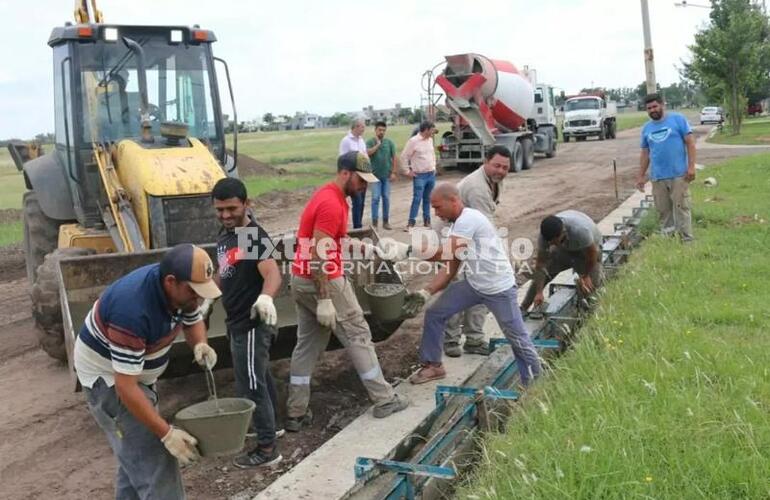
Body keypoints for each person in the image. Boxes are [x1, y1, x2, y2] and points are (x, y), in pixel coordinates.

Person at [73, 243, 221, 499]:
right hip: (108, 380)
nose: (197, 297)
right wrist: (166, 434)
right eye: (194, 291)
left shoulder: (181, 289)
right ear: (171, 282)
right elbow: (126, 387)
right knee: (158, 463)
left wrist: (200, 344)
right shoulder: (132, 309)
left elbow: (192, 316)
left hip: (134, 376)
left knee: (136, 459)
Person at [285, 151, 409, 431]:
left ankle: (295, 411)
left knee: (306, 346)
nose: (364, 186)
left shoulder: (329, 196)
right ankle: (384, 398)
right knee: (358, 334)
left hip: (301, 279)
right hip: (323, 279)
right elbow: (319, 252)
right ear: (345, 173)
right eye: (361, 180)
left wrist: (367, 248)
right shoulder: (331, 204)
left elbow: (334, 240)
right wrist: (326, 299)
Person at [388, 183, 541, 385]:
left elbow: (445, 253)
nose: (436, 213)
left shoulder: (469, 219)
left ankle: (535, 382)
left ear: (453, 200)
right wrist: (426, 292)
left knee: (518, 338)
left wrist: (409, 251)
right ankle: (433, 366)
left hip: (499, 289)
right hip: (475, 285)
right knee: (435, 313)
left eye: (438, 207)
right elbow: (451, 267)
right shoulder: (458, 225)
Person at [211, 177, 283, 468]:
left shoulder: (252, 235)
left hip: (252, 323)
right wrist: (207, 294)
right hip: (236, 319)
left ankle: (267, 450)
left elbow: (273, 274)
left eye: (231, 209)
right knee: (260, 377)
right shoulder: (227, 234)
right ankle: (272, 426)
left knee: (251, 385)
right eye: (219, 210)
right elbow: (224, 269)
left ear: (246, 204)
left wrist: (266, 298)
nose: (226, 215)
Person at [440, 145, 511, 357]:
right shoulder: (477, 188)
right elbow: (485, 230)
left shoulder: (493, 181)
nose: (501, 171)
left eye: (505, 167)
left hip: (469, 238)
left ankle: (474, 339)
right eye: (497, 165)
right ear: (486, 162)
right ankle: (451, 341)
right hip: (452, 240)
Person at [637, 93, 696, 242]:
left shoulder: (678, 120)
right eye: (649, 108)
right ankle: (669, 241)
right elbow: (645, 153)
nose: (652, 110)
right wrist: (641, 176)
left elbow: (690, 143)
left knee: (681, 208)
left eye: (655, 106)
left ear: (663, 105)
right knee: (664, 212)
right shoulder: (646, 128)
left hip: (679, 175)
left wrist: (691, 167)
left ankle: (686, 241)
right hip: (657, 177)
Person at [519, 210, 604, 313]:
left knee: (589, 288)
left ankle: (587, 313)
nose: (556, 244)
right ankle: (523, 309)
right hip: (565, 250)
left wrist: (585, 275)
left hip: (588, 251)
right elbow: (541, 265)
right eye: (552, 243)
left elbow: (592, 255)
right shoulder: (544, 237)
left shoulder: (580, 231)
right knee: (545, 272)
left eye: (558, 241)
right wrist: (539, 292)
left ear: (563, 231)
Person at [339, 118, 380, 229]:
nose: (364, 129)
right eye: (362, 127)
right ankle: (357, 227)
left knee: (361, 202)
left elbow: (365, 154)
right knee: (357, 201)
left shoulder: (361, 140)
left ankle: (359, 225)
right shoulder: (346, 141)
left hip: (364, 175)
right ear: (356, 127)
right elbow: (342, 159)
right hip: (353, 177)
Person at [400, 120, 438, 231]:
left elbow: (432, 154)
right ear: (426, 129)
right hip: (419, 176)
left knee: (427, 199)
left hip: (431, 174)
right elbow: (404, 157)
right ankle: (411, 224)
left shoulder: (430, 140)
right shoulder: (413, 141)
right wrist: (407, 171)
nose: (433, 133)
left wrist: (434, 167)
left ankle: (427, 222)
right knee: (417, 199)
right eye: (431, 130)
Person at [366, 120, 397, 229]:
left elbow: (394, 158)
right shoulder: (370, 142)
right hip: (374, 176)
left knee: (386, 198)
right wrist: (377, 145)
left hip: (386, 176)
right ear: (375, 130)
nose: (382, 132)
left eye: (384, 130)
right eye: (380, 130)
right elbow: (367, 153)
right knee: (375, 198)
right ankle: (374, 223)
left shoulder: (389, 143)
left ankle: (385, 222)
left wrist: (393, 172)